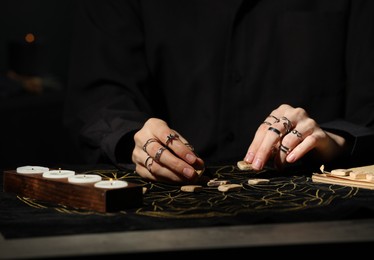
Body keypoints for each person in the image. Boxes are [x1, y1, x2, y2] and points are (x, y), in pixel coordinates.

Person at [64, 0, 374, 184]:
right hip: (160, 217)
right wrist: (135, 138)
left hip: (321, 218)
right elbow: (97, 96)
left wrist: (337, 139)